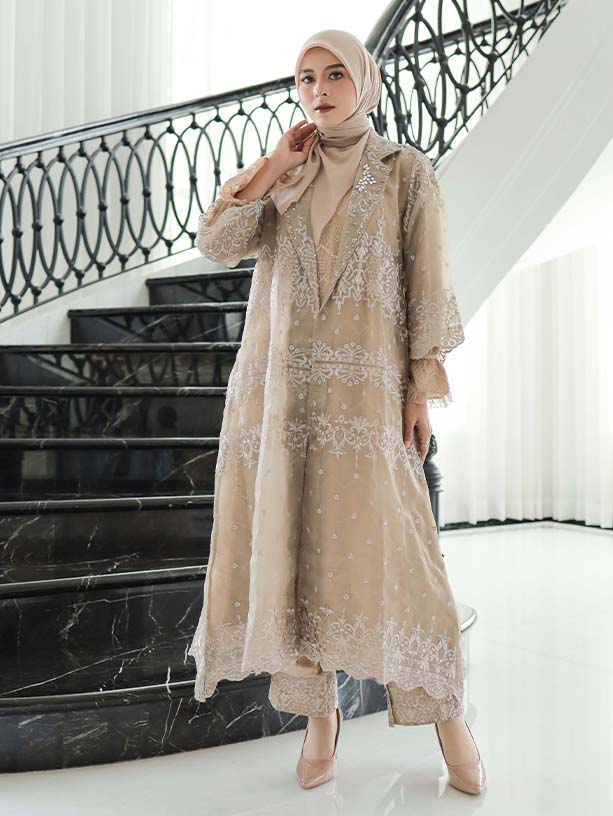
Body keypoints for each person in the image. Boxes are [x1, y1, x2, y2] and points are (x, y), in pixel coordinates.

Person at [189, 28, 486, 796]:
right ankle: (318, 720)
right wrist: (272, 165)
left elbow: (426, 284)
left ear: (362, 81)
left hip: (362, 396)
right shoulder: (283, 174)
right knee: (292, 557)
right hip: (278, 397)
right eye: (304, 78)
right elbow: (216, 242)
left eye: (332, 75)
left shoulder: (403, 171)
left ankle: (447, 718)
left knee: (403, 560)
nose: (317, 91)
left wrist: (417, 389)